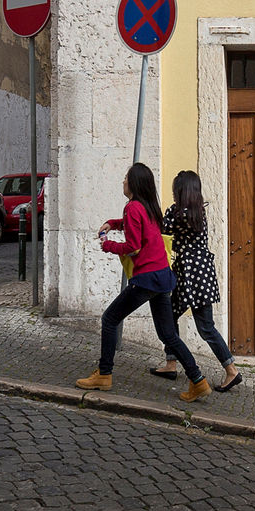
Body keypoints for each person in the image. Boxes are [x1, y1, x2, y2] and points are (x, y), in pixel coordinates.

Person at [75, 163, 211, 402]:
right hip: (162, 277)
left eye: (126, 178)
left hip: (147, 278)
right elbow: (142, 228)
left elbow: (133, 246)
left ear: (134, 183)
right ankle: (198, 380)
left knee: (109, 319)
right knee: (168, 335)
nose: (123, 181)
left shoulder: (132, 207)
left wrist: (108, 245)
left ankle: (104, 375)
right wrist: (114, 223)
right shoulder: (149, 207)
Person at [150, 170, 242, 391]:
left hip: (190, 275)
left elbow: (163, 229)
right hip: (196, 274)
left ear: (181, 191)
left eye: (175, 190)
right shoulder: (197, 212)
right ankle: (171, 363)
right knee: (172, 317)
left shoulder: (179, 215)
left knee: (204, 327)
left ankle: (231, 370)